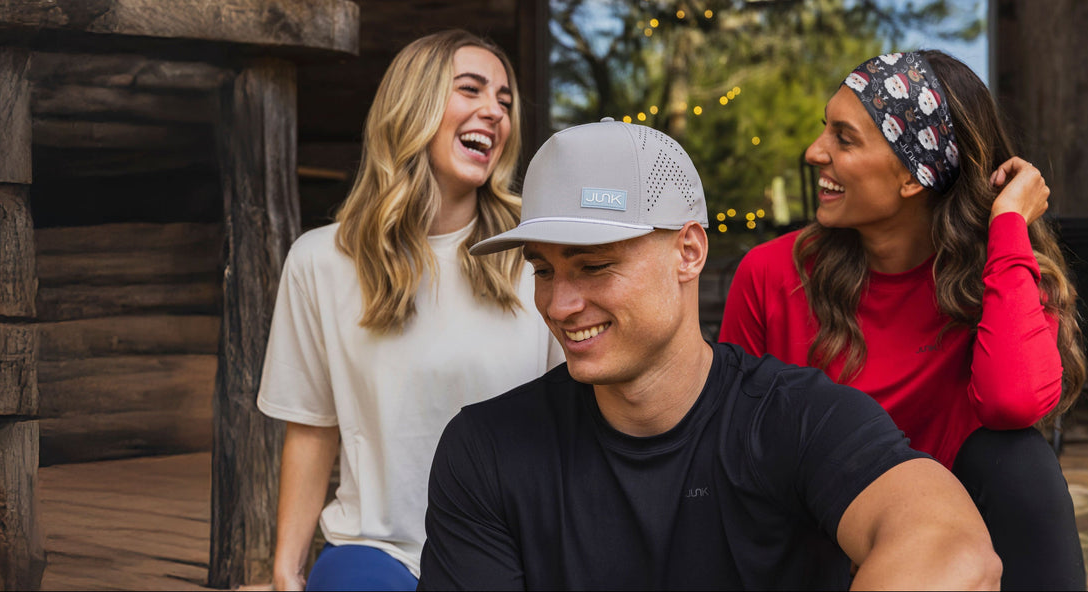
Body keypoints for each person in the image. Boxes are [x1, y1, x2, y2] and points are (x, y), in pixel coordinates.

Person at [416, 119, 1000, 590]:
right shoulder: (488, 450)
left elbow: (953, 551)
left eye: (594, 266)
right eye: (543, 271)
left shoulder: (796, 418)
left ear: (689, 252)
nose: (560, 304)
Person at [719, 50, 1088, 590]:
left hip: (947, 553)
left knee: (1020, 462)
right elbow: (730, 450)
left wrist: (1008, 224)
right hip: (814, 538)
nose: (814, 152)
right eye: (825, 129)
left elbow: (1013, 403)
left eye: (844, 139)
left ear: (913, 178)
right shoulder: (772, 274)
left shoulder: (1001, 275)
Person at [255, 30, 560, 592]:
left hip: (508, 546)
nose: (495, 111)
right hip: (374, 551)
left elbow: (579, 418)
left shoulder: (536, 255)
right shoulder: (320, 261)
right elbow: (312, 428)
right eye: (470, 89)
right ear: (412, 104)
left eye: (505, 100)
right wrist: (286, 572)